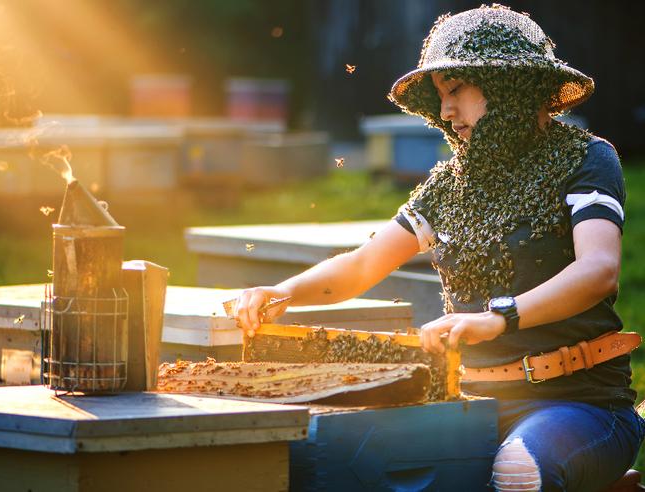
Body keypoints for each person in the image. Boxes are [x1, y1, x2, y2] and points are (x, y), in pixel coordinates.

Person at [233, 5, 644, 491]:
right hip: (471, 400)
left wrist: (498, 317)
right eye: (440, 97)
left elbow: (598, 270)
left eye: (456, 91)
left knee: (519, 471)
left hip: (580, 402)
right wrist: (281, 290)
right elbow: (363, 265)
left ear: (507, 85)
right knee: (341, 457)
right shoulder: (448, 186)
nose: (446, 111)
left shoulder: (587, 158)